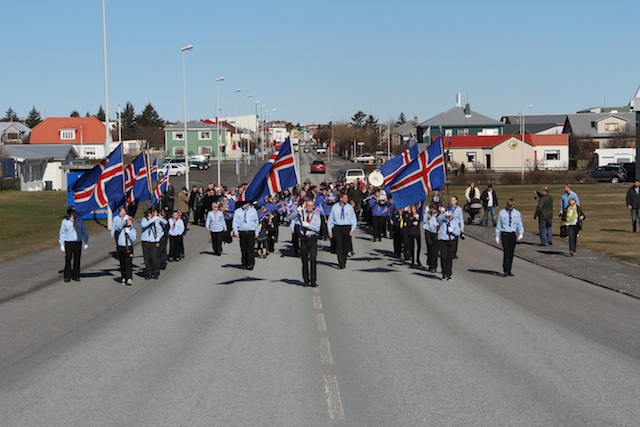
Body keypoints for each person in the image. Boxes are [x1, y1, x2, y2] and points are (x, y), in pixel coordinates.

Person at [293, 199, 322, 286]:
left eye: (311, 205)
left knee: (313, 260)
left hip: (312, 238)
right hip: (304, 239)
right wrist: (297, 210)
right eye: (308, 205)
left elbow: (317, 228)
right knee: (304, 261)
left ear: (313, 207)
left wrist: (309, 225)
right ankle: (306, 280)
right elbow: (290, 217)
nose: (309, 207)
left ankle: (313, 280)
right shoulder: (301, 214)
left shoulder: (316, 216)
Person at [495, 199, 524, 277]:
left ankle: (509, 269)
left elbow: (519, 224)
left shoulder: (517, 213)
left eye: (512, 206)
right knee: (506, 252)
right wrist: (497, 235)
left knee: (511, 253)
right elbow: (499, 225)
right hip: (505, 234)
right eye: (509, 206)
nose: (510, 208)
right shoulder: (502, 213)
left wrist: (521, 233)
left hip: (512, 234)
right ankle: (505, 269)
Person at [59, 207, 89, 282]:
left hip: (77, 242)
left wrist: (86, 241)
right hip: (69, 242)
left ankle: (76, 275)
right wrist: (61, 244)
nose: (74, 213)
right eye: (73, 212)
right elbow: (62, 233)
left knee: (77, 259)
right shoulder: (65, 221)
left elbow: (84, 231)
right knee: (68, 258)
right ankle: (67, 276)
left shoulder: (79, 220)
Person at [328, 192, 357, 269]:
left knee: (345, 246)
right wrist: (330, 230)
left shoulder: (349, 207)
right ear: (340, 199)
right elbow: (331, 219)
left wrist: (352, 229)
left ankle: (344, 260)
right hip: (337, 227)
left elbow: (353, 219)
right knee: (339, 245)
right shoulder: (335, 207)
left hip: (347, 227)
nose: (346, 200)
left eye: (347, 198)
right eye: (345, 198)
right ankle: (340, 262)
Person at [436, 199, 464, 281]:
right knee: (443, 256)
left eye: (451, 213)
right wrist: (444, 215)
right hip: (443, 239)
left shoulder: (454, 221)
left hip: (451, 239)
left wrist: (454, 231)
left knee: (449, 258)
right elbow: (438, 219)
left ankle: (449, 274)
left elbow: (458, 231)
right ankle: (444, 273)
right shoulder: (443, 220)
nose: (450, 214)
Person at [232, 200, 260, 270]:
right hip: (242, 232)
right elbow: (235, 222)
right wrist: (235, 231)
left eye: (245, 204)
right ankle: (244, 263)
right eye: (242, 204)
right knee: (243, 249)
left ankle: (250, 264)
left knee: (250, 249)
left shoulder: (253, 211)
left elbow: (256, 222)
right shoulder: (238, 211)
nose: (243, 205)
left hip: (251, 232)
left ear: (247, 204)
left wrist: (257, 232)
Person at [140, 208, 166, 280]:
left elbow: (165, 223)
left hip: (153, 241)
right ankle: (149, 273)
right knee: (147, 258)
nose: (155, 214)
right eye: (153, 213)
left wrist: (159, 237)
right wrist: (152, 220)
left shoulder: (157, 220)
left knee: (154, 257)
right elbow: (144, 225)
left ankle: (156, 271)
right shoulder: (145, 219)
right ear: (149, 214)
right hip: (145, 241)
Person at [116, 215, 136, 286]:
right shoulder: (121, 228)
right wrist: (123, 221)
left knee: (128, 263)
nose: (128, 222)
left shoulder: (132, 230)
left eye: (129, 221)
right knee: (122, 263)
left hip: (128, 247)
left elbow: (133, 238)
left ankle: (129, 278)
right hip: (121, 247)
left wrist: (129, 233)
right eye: (127, 221)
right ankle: (123, 277)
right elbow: (117, 227)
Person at [423, 204, 439, 273]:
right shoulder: (428, 215)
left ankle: (434, 266)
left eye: (435, 209)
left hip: (436, 233)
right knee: (429, 248)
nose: (433, 210)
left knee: (435, 250)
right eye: (432, 209)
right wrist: (427, 214)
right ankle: (430, 263)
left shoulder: (439, 216)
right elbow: (424, 221)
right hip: (428, 232)